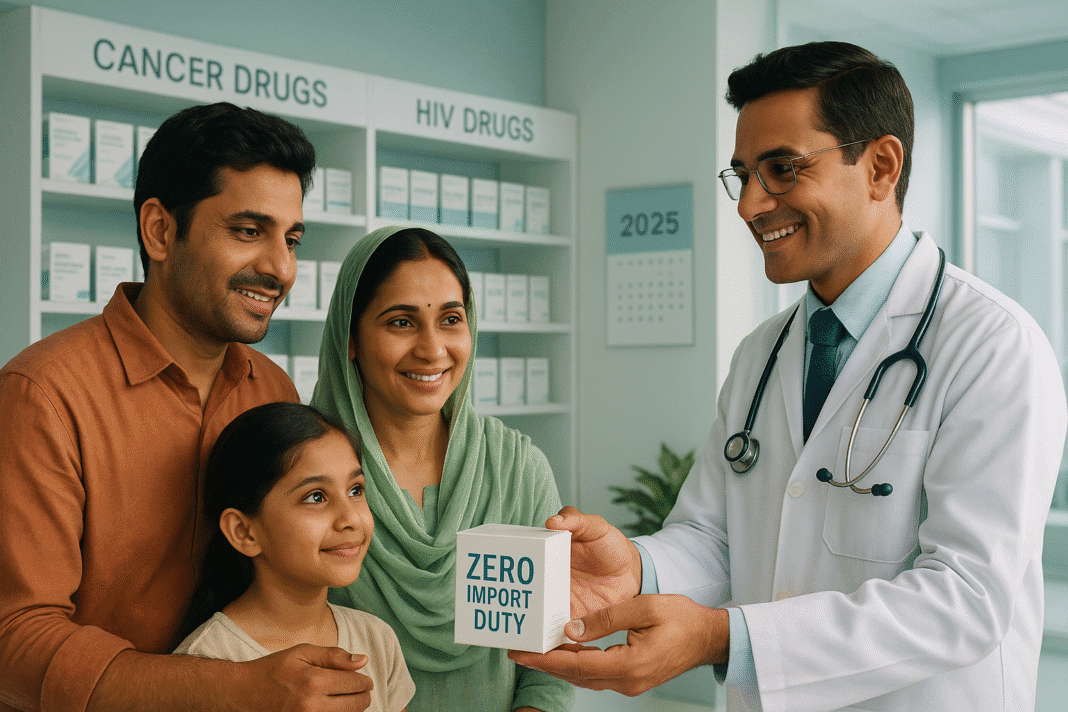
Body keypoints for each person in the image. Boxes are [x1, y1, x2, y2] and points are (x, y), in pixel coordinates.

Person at [510, 41, 1068, 711]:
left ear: (880, 166)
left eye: (781, 169)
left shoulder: (991, 346)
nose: (749, 205)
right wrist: (636, 567)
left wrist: (723, 638)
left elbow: (967, 600)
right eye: (742, 173)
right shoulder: (762, 353)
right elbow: (715, 535)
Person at [0, 102, 374, 712]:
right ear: (160, 231)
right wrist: (235, 689)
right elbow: (13, 638)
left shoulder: (272, 390)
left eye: (291, 238)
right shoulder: (43, 396)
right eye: (248, 231)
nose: (280, 268)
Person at [312, 225, 575, 712]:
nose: (433, 349)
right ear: (349, 337)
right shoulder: (309, 479)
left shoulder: (518, 469)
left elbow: (551, 655)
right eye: (401, 322)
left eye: (451, 319)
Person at [175, 401, 415, 712]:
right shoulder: (207, 661)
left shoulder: (376, 639)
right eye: (316, 496)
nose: (350, 518)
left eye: (355, 490)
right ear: (244, 532)